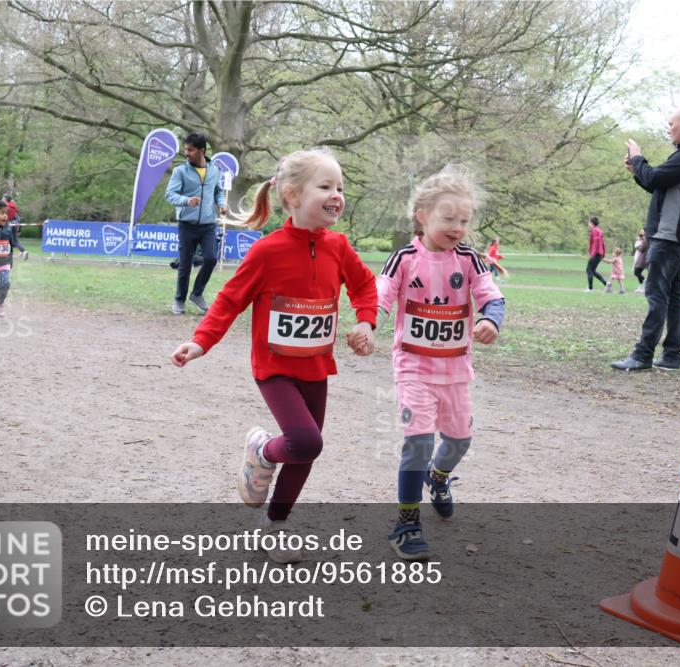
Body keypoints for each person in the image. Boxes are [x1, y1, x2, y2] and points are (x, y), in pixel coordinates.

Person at [170, 148, 377, 564]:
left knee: (307, 450)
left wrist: (366, 322)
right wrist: (201, 342)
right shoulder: (268, 251)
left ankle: (275, 527)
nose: (337, 194)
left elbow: (365, 286)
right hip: (276, 370)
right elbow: (230, 300)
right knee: (304, 441)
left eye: (340, 187)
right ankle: (264, 451)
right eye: (326, 186)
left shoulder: (339, 247)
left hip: (315, 367)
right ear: (292, 195)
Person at [373, 165, 505, 560]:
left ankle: (439, 475)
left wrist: (489, 320)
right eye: (448, 218)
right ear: (422, 215)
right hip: (413, 367)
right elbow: (379, 297)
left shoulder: (469, 259)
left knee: (460, 441)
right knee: (418, 442)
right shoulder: (403, 259)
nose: (458, 227)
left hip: (455, 370)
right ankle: (407, 523)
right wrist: (368, 324)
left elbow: (491, 296)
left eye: (464, 220)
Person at [611, 105, 680, 372]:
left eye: (671, 123)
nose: (668, 128)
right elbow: (657, 184)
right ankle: (671, 356)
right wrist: (637, 169)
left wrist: (637, 158)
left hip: (669, 238)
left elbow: (656, 176)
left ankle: (642, 355)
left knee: (657, 294)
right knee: (674, 294)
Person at [164, 132, 228, 315]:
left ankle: (197, 294)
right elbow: (170, 195)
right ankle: (179, 300)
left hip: (208, 224)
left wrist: (221, 204)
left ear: (201, 150)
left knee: (210, 259)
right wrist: (186, 200)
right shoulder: (180, 171)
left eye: (190, 150)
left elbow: (218, 191)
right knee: (185, 265)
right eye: (185, 149)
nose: (186, 153)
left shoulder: (215, 170)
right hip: (187, 224)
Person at [584, 216, 607, 292]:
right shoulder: (600, 231)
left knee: (588, 270)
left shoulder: (595, 231)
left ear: (592, 223)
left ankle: (590, 288)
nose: (588, 223)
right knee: (592, 271)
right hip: (599, 254)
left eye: (589, 222)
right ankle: (606, 284)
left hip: (596, 253)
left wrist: (592, 254)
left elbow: (596, 243)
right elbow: (603, 243)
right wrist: (603, 253)